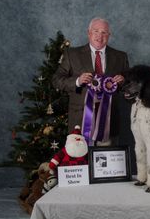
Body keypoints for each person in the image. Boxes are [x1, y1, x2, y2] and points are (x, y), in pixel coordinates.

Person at [52, 18, 129, 146]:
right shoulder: (72, 54)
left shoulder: (120, 57)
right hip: (80, 123)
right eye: (96, 31)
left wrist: (123, 81)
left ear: (109, 35)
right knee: (81, 163)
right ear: (89, 33)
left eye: (104, 32)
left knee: (107, 164)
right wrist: (77, 81)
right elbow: (56, 80)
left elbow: (130, 86)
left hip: (109, 124)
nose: (100, 36)